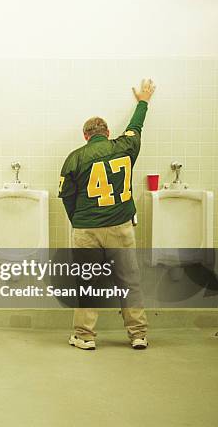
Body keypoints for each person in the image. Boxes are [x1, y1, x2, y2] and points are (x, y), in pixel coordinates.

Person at [58, 79, 156, 350]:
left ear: (86, 136)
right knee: (129, 280)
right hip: (121, 226)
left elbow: (66, 196)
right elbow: (136, 127)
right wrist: (143, 101)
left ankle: (85, 336)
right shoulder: (125, 147)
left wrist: (79, 221)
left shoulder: (75, 157)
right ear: (108, 132)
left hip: (87, 229)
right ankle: (138, 334)